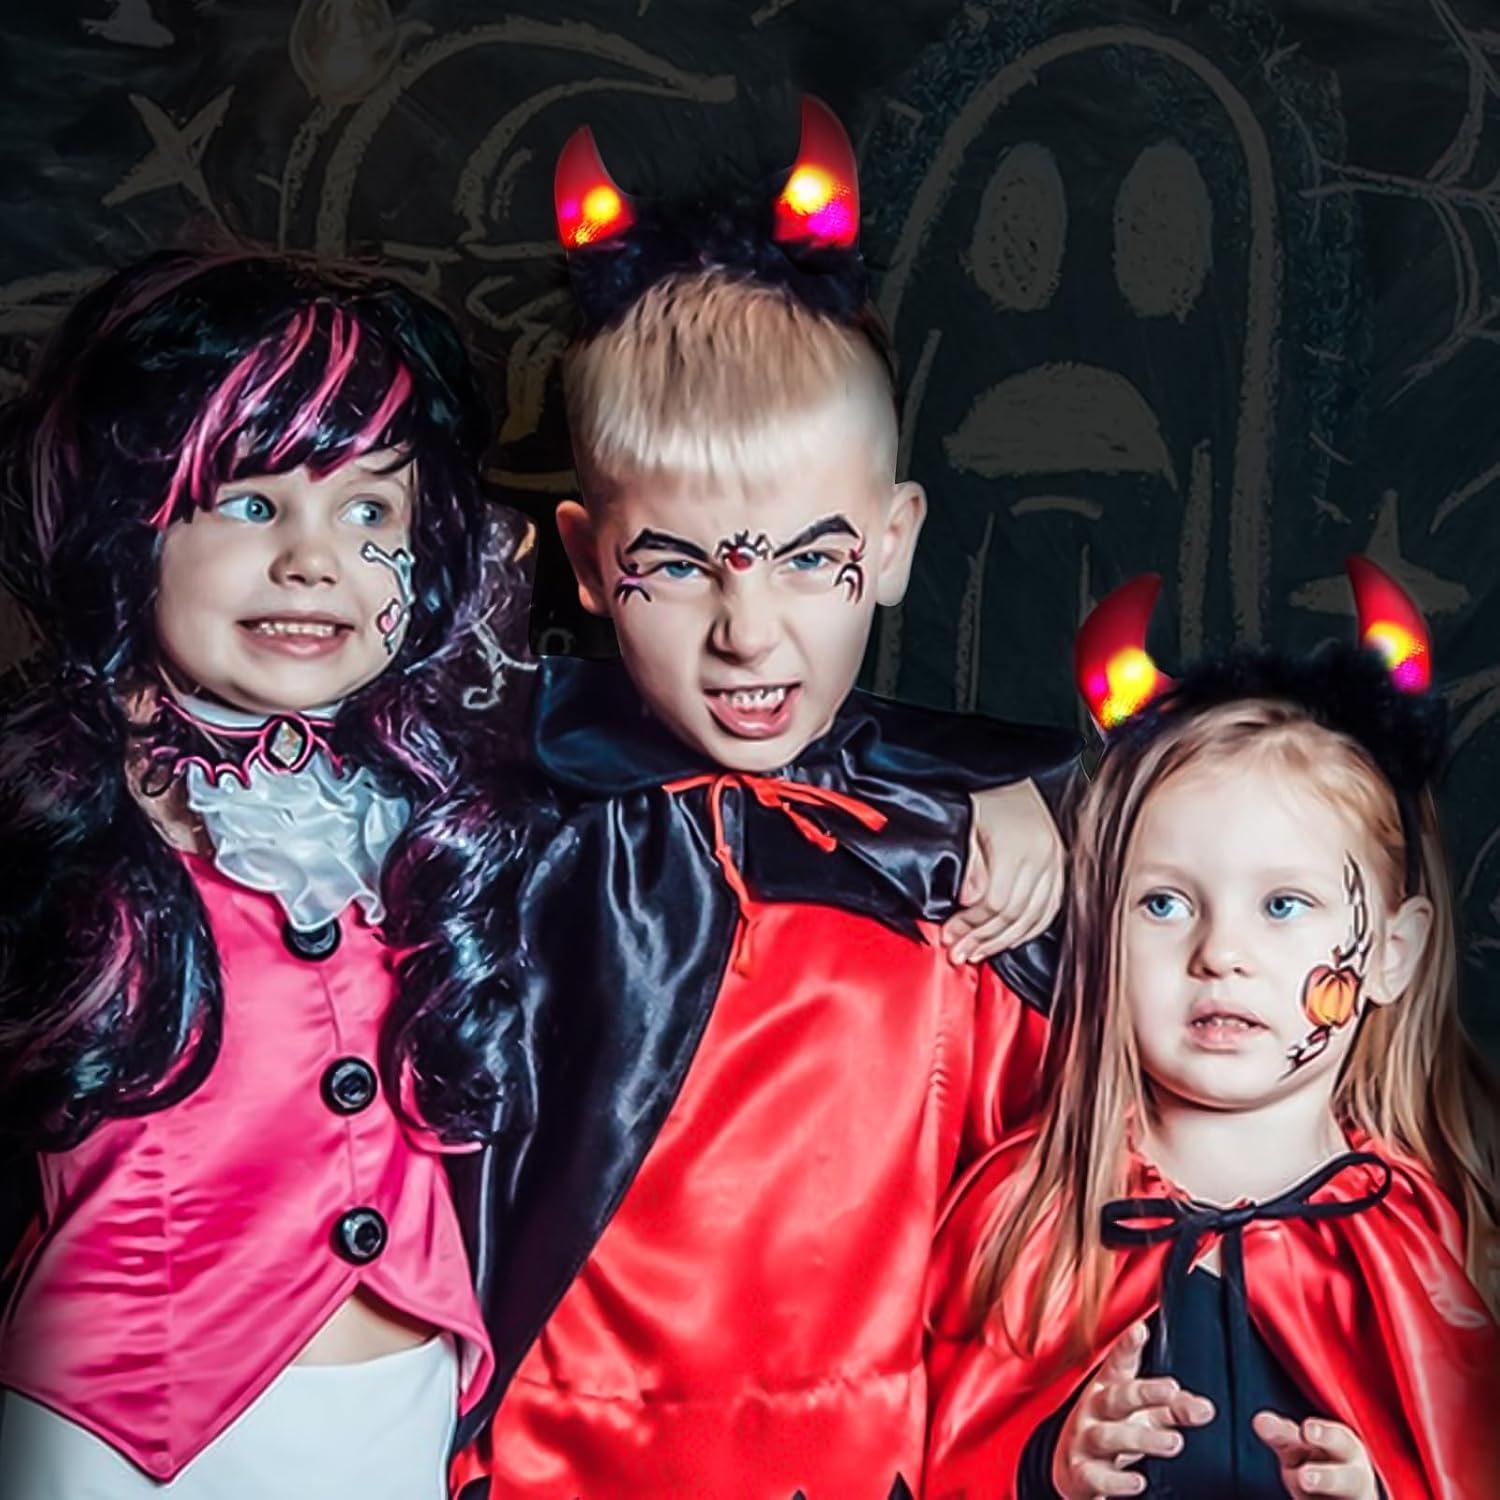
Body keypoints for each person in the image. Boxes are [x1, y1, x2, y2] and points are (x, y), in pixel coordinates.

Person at [448, 99, 1080, 1499]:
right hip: (557, 1458)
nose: (748, 635)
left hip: (866, 1457)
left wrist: (1022, 802)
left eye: (808, 559)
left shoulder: (957, 841)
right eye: (678, 567)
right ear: (589, 563)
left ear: (893, 544)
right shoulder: (512, 821)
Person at [0, 249, 538, 1498]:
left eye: (370, 513)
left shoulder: (435, 801)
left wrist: (981, 798)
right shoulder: (53, 816)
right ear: (131, 527)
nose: (314, 558)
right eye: (251, 503)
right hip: (117, 1435)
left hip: (400, 1418)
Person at [924, 561, 1500, 1500]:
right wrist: (1051, 1469)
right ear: (1100, 935)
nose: (1220, 954)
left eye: (1283, 904)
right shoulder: (1024, 1217)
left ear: (1391, 954)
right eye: (1163, 903)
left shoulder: (1429, 1246)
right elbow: (926, 1457)